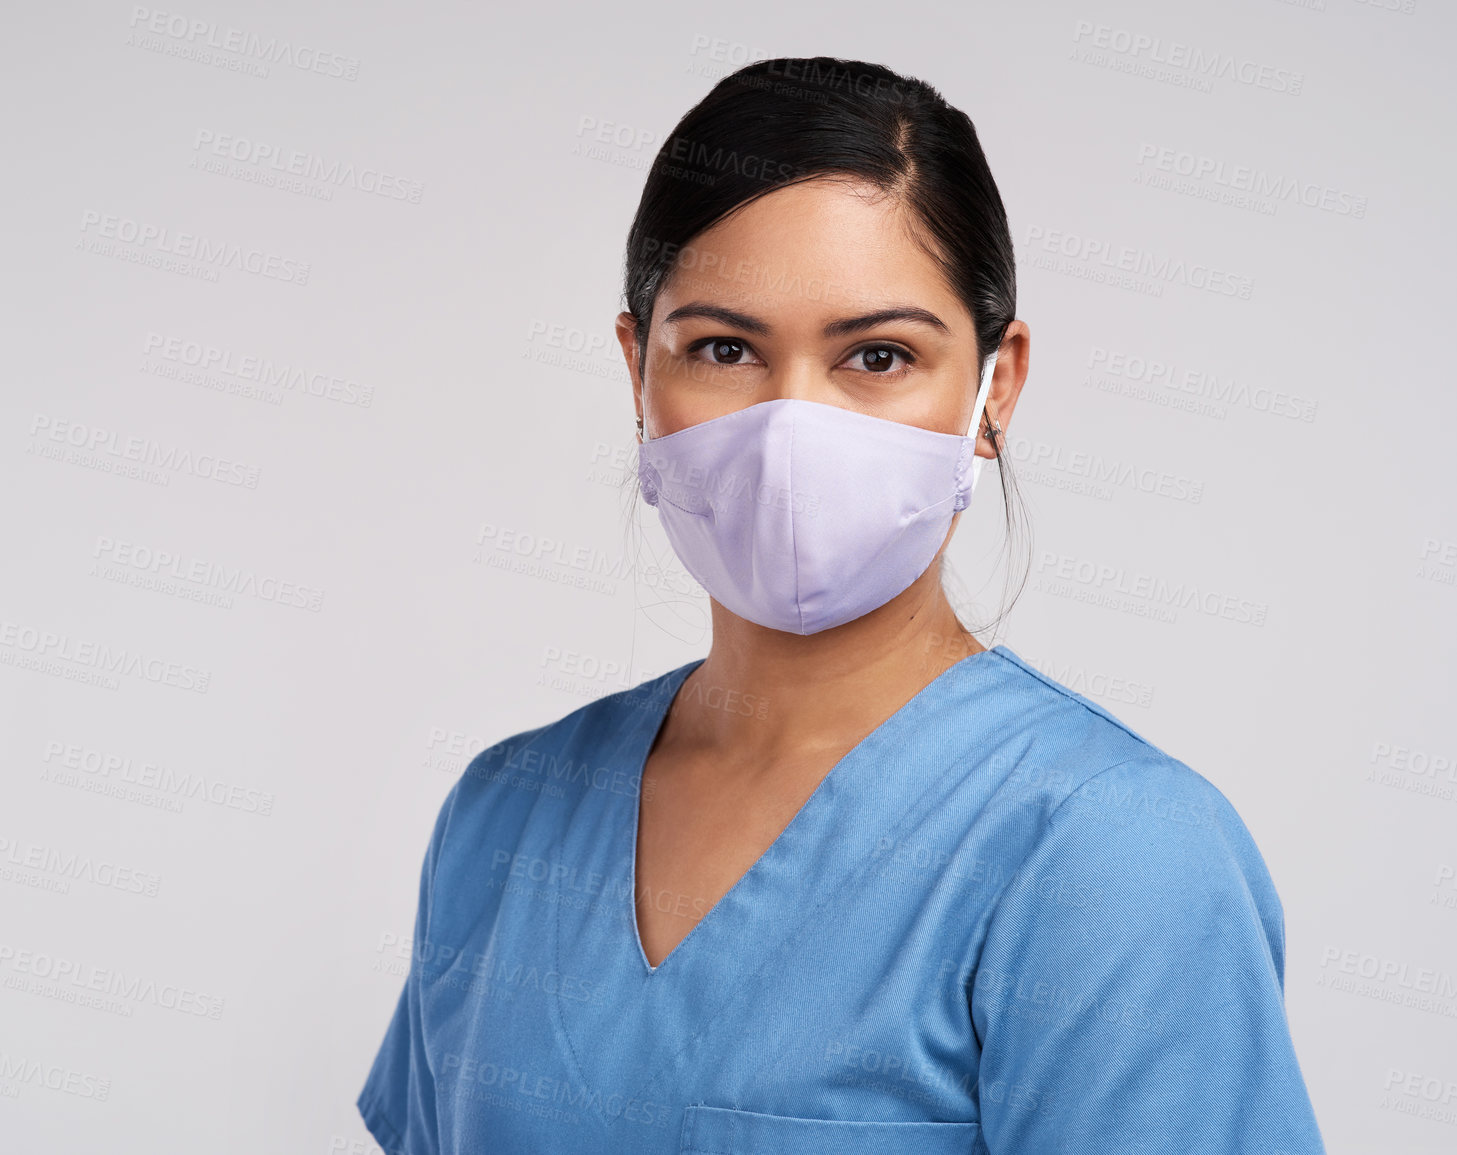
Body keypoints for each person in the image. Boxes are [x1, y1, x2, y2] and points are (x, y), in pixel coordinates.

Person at [357, 56, 1325, 1154]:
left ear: (993, 388)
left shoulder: (1111, 853)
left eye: (877, 355)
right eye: (724, 350)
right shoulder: (507, 814)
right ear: (639, 374)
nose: (791, 431)